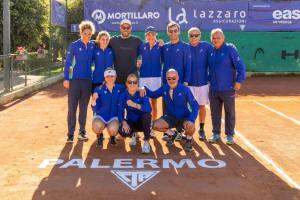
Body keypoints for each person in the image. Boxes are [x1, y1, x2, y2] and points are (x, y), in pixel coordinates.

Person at [141, 69, 199, 151]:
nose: (171, 80)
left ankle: (189, 139)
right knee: (154, 125)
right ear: (166, 79)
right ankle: (173, 134)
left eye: (173, 78)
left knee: (191, 126)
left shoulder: (185, 89)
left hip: (183, 117)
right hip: (170, 117)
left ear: (178, 77)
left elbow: (195, 106)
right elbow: (153, 95)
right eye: (169, 78)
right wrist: (144, 88)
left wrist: (191, 119)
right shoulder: (164, 88)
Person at [207, 28, 246, 145]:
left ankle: (229, 135)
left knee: (229, 112)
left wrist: (239, 81)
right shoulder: (211, 51)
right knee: (215, 112)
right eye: (213, 38)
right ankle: (216, 133)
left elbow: (241, 67)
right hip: (213, 89)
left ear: (223, 38)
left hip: (228, 89)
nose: (216, 40)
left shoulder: (230, 49)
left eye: (218, 37)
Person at [64, 20, 95, 143]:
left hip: (87, 81)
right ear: (81, 33)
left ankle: (82, 131)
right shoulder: (74, 45)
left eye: (89, 33)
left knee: (83, 108)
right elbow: (67, 63)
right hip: (75, 82)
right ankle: (70, 134)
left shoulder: (93, 45)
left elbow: (95, 59)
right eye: (85, 33)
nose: (87, 35)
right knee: (72, 108)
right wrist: (66, 78)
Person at [161, 21, 192, 141]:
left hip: (180, 83)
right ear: (168, 32)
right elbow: (162, 61)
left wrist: (186, 81)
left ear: (179, 31)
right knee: (166, 106)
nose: (173, 33)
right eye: (171, 31)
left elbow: (188, 65)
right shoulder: (165, 47)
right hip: (166, 83)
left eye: (175, 30)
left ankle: (180, 130)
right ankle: (167, 132)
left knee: (180, 107)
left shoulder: (185, 47)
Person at [188, 27, 213, 141]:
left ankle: (201, 129)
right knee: (189, 108)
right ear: (189, 37)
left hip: (203, 83)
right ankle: (188, 130)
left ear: (200, 35)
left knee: (202, 106)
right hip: (189, 84)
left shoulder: (207, 46)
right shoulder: (185, 47)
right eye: (191, 35)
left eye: (196, 35)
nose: (194, 37)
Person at [118, 74, 152, 153]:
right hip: (132, 121)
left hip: (143, 122)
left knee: (147, 115)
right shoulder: (123, 96)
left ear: (137, 84)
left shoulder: (142, 93)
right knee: (120, 129)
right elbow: (120, 112)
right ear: (126, 84)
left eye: (135, 82)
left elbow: (149, 109)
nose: (132, 84)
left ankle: (146, 141)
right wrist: (123, 122)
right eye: (130, 82)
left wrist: (135, 105)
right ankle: (133, 134)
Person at [91, 68, 125, 148]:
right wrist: (94, 100)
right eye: (107, 76)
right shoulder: (99, 89)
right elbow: (94, 109)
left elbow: (130, 93)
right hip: (101, 116)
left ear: (116, 76)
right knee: (96, 126)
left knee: (113, 129)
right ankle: (100, 136)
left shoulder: (121, 88)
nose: (110, 78)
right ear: (104, 77)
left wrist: (139, 88)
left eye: (112, 76)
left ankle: (112, 136)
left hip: (114, 117)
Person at [137, 26, 162, 120]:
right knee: (143, 100)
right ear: (146, 36)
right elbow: (137, 57)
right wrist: (138, 63)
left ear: (156, 35)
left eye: (152, 34)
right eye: (148, 34)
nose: (150, 36)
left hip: (156, 77)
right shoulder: (142, 46)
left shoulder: (160, 46)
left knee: (154, 101)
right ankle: (145, 123)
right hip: (144, 77)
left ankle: (154, 123)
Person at [109, 19, 142, 84]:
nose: (125, 29)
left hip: (132, 76)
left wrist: (158, 42)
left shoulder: (137, 41)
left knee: (133, 94)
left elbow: (148, 46)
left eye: (128, 27)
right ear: (120, 28)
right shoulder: (113, 40)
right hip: (118, 77)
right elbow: (100, 42)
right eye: (123, 27)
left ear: (131, 28)